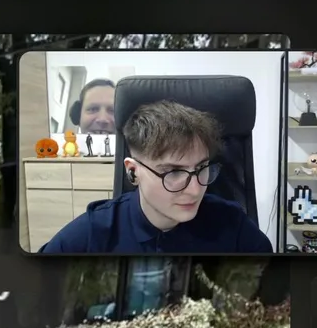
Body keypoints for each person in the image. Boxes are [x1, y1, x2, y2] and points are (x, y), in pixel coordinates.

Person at [39, 100, 273, 253]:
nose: (194, 190)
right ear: (133, 171)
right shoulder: (92, 235)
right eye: (173, 172)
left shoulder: (232, 226)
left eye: (202, 167)